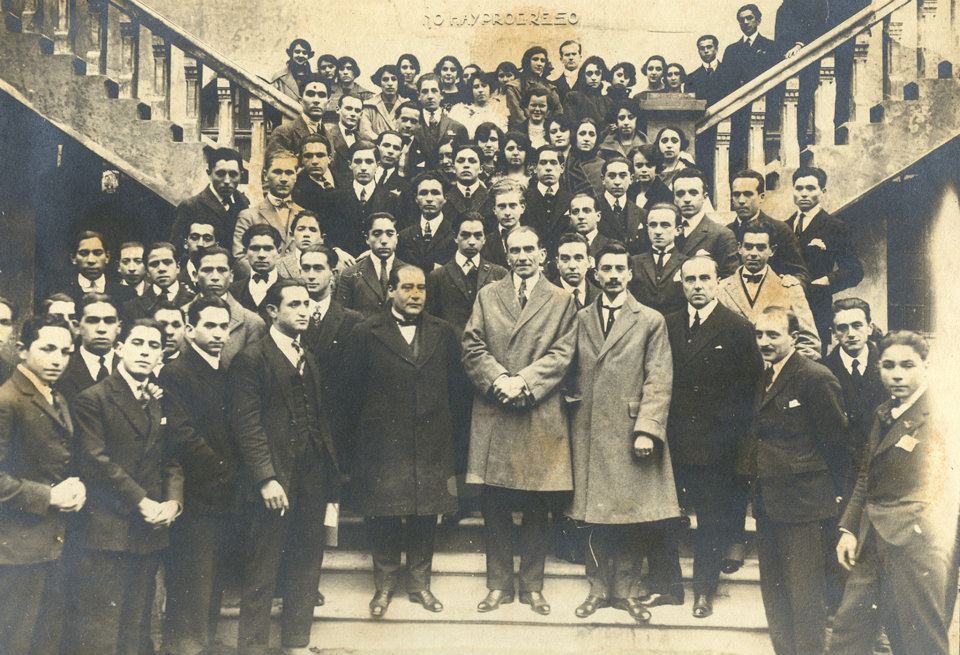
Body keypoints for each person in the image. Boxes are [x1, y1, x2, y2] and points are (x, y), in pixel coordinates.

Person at [462, 225, 577, 616]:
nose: (523, 256)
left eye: (530, 249)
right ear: (507, 255)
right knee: (494, 503)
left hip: (537, 410)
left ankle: (532, 586)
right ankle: (498, 585)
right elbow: (472, 345)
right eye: (515, 250)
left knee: (536, 504)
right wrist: (499, 380)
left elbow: (564, 353)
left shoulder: (561, 299)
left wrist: (524, 382)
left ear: (542, 253)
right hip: (496, 408)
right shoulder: (487, 295)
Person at [566, 240, 675, 624]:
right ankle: (597, 589)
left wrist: (647, 429)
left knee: (630, 514)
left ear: (630, 274)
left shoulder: (650, 320)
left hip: (630, 432)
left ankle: (628, 591)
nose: (612, 276)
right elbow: (566, 365)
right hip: (588, 429)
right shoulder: (580, 318)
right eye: (606, 269)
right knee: (593, 515)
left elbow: (659, 378)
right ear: (595, 273)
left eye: (619, 269)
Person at [230, 279, 341, 655]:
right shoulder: (252, 359)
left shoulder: (308, 357)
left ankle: (296, 642)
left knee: (307, 561)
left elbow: (319, 419)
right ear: (272, 311)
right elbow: (247, 424)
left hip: (312, 476)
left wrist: (329, 476)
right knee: (262, 566)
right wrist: (265, 478)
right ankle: (253, 648)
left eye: (307, 304)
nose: (304, 310)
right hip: (274, 479)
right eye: (294, 304)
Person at [830, 331, 959, 655]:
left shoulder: (942, 414)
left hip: (917, 545)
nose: (897, 375)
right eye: (888, 366)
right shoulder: (884, 412)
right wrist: (848, 529)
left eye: (907, 365)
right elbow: (866, 475)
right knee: (848, 633)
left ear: (926, 366)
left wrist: (923, 529)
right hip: (872, 539)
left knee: (918, 640)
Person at [344, 264, 459, 617]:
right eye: (407, 287)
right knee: (384, 514)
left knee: (425, 513)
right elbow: (350, 394)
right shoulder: (365, 332)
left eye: (421, 288)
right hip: (383, 444)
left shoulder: (443, 332)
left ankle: (420, 584)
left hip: (431, 442)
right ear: (390, 291)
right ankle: (384, 585)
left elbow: (456, 389)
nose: (415, 295)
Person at [68, 318, 184, 655]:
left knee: (136, 627)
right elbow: (96, 461)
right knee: (101, 630)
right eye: (138, 343)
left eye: (153, 346)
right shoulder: (94, 398)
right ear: (120, 348)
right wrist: (144, 502)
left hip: (149, 531)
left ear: (161, 355)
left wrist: (173, 503)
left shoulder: (159, 399)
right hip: (108, 530)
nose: (145, 352)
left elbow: (172, 458)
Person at [744, 306, 848, 655]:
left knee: (805, 600)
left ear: (794, 337)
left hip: (805, 507)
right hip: (768, 503)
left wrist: (833, 497)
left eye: (773, 334)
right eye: (760, 334)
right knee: (775, 598)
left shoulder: (814, 377)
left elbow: (837, 444)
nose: (764, 342)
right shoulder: (763, 376)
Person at [664, 255, 763, 618]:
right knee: (665, 517)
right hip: (673, 441)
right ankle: (667, 586)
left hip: (716, 446)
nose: (698, 286)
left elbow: (751, 391)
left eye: (705, 278)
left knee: (711, 520)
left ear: (718, 282)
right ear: (682, 285)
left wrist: (736, 445)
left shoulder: (737, 327)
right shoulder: (668, 324)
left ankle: (704, 591)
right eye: (690, 280)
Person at [159, 295, 237, 655]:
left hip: (221, 496)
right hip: (195, 494)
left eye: (224, 326)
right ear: (190, 330)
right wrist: (224, 469)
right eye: (210, 325)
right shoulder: (176, 372)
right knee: (192, 580)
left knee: (212, 579)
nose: (218, 333)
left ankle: (201, 645)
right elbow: (182, 433)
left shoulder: (224, 371)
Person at [0, 314, 82, 655]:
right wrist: (49, 496)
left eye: (65, 351)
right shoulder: (8, 399)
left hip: (52, 541)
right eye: (47, 349)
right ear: (22, 350)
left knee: (46, 641)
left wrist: (75, 486)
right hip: (17, 548)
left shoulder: (55, 397)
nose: (57, 359)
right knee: (16, 641)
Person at [785, 167, 863, 354]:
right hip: (786, 308)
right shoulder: (784, 227)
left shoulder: (835, 227)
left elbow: (854, 271)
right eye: (799, 188)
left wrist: (827, 280)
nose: (804, 193)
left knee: (813, 361)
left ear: (823, 191)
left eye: (811, 188)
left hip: (817, 309)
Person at [718, 222, 821, 359]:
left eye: (761, 248)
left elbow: (810, 344)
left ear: (772, 250)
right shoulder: (720, 290)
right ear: (739, 248)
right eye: (748, 247)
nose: (753, 253)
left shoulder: (790, 289)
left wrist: (784, 368)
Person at [822, 298, 888, 489]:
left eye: (857, 325)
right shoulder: (822, 371)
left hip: (881, 466)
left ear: (869, 327)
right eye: (842, 328)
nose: (851, 334)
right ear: (834, 333)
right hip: (840, 473)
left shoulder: (888, 366)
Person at [181, 247, 266, 370]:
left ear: (231, 276)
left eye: (221, 270)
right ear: (195, 276)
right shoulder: (179, 317)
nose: (215, 277)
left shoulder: (252, 323)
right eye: (207, 270)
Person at [720, 4, 780, 171]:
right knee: (737, 149)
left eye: (749, 18)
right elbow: (726, 81)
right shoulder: (731, 50)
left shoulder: (771, 47)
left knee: (760, 147)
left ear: (758, 20)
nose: (745, 22)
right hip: (739, 108)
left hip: (764, 106)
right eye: (741, 20)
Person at [727, 169, 808, 284]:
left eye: (748, 194)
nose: (741, 200)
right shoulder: (726, 233)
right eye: (736, 194)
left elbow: (801, 274)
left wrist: (792, 281)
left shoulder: (781, 230)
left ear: (761, 197)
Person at [233, 151, 305, 273]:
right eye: (277, 172)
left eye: (289, 173)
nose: (283, 179)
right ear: (265, 175)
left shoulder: (305, 216)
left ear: (296, 176)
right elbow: (240, 258)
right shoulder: (248, 216)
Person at [328, 139, 399, 256]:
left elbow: (398, 235)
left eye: (369, 161)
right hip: (344, 262)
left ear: (378, 165)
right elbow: (327, 234)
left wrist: (374, 252)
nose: (363, 167)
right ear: (350, 164)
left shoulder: (392, 199)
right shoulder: (334, 198)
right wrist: (337, 252)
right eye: (358, 161)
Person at [171, 146, 250, 250]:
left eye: (233, 174)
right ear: (209, 173)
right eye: (220, 174)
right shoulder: (190, 206)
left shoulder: (243, 203)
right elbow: (176, 249)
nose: (227, 181)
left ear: (241, 175)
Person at [774, 0, 829, 149]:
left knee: (804, 101)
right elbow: (780, 36)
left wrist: (800, 44)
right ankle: (793, 142)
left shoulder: (816, 3)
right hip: (786, 62)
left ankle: (801, 141)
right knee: (787, 104)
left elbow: (818, 23)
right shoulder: (784, 8)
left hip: (807, 59)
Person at [335, 213, 407, 317]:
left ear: (397, 238)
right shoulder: (350, 274)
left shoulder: (410, 273)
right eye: (377, 234)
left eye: (390, 234)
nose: (384, 241)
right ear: (367, 239)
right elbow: (342, 316)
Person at [671, 168, 739, 277]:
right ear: (674, 198)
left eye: (693, 193)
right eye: (680, 194)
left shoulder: (722, 235)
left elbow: (730, 279)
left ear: (705, 197)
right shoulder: (667, 230)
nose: (687, 199)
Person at [55, 293, 121, 404]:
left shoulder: (129, 369)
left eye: (109, 321)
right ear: (77, 327)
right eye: (92, 321)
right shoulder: (62, 369)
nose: (101, 329)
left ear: (118, 327)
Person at [628, 202, 687, 315]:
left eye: (665, 225)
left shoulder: (687, 263)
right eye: (653, 225)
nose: (658, 232)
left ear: (678, 230)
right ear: (647, 228)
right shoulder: (634, 262)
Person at [397, 171, 456, 271]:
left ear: (445, 198)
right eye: (423, 193)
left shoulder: (455, 234)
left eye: (435, 193)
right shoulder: (404, 236)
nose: (429, 199)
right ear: (416, 198)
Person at [57, 230, 134, 306]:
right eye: (84, 253)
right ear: (73, 258)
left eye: (98, 253)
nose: (91, 260)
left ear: (107, 257)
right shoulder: (61, 295)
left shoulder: (127, 294)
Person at [123, 242, 196, 320]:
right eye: (154, 264)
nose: (161, 269)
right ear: (147, 271)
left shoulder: (194, 301)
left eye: (167, 262)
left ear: (178, 267)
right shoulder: (132, 307)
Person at [410, 74, 468, 171]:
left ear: (442, 94)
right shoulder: (411, 126)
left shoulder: (457, 128)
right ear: (418, 95)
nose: (430, 96)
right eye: (425, 91)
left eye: (434, 91)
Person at [523, 146, 573, 258]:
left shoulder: (571, 200)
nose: (548, 168)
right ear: (535, 168)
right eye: (543, 163)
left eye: (553, 163)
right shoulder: (524, 199)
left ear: (562, 168)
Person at [266, 75, 331, 161]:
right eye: (310, 94)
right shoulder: (283, 133)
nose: (316, 100)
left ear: (328, 103)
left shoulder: (329, 137)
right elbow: (275, 166)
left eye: (321, 95)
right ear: (301, 101)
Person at [229, 224, 283, 317]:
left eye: (268, 249)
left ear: (279, 252)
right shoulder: (232, 291)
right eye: (255, 248)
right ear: (245, 253)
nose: (261, 255)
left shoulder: (291, 291)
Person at [597, 156, 644, 248]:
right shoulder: (592, 208)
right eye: (612, 176)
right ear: (603, 179)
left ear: (631, 179)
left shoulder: (641, 214)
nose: (617, 182)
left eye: (622, 176)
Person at [481, 179, 526, 267]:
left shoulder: (533, 238)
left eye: (512, 206)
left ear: (522, 208)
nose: (507, 213)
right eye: (502, 206)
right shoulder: (485, 243)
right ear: (494, 210)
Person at [323, 94, 366, 186]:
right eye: (348, 109)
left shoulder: (366, 140)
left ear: (361, 115)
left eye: (357, 111)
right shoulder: (327, 136)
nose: (353, 114)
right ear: (338, 109)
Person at [443, 143, 493, 222]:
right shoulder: (444, 198)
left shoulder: (491, 198)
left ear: (481, 169)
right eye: (460, 161)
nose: (466, 165)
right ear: (453, 167)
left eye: (472, 161)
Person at [554, 232, 600, 309]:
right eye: (565, 259)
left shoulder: (601, 296)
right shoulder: (545, 297)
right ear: (557, 263)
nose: (572, 266)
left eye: (578, 258)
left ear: (589, 262)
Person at [562, 55, 610, 125]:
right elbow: (570, 123)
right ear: (583, 75)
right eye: (589, 73)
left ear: (602, 75)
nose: (593, 78)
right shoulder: (573, 97)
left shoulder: (607, 100)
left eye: (597, 73)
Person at [277, 210, 324, 279]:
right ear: (292, 235)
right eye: (301, 229)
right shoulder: (278, 265)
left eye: (313, 230)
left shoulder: (332, 265)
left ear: (322, 238)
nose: (306, 234)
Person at [562, 118, 604, 195]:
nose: (586, 139)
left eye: (591, 134)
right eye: (582, 134)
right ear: (575, 136)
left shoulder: (603, 165)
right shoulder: (565, 163)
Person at [359, 64, 401, 140]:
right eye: (385, 79)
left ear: (399, 82)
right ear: (379, 83)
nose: (390, 83)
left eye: (394, 79)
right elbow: (365, 132)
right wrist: (384, 142)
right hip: (375, 145)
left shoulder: (405, 105)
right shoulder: (369, 105)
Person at [627, 144, 672, 210]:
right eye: (639, 166)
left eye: (649, 165)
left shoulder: (665, 194)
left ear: (657, 167)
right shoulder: (629, 190)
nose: (644, 170)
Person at [567, 193, 611, 261]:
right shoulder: (563, 246)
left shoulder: (609, 246)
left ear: (598, 216)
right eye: (575, 212)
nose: (581, 216)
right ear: (570, 218)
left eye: (587, 211)